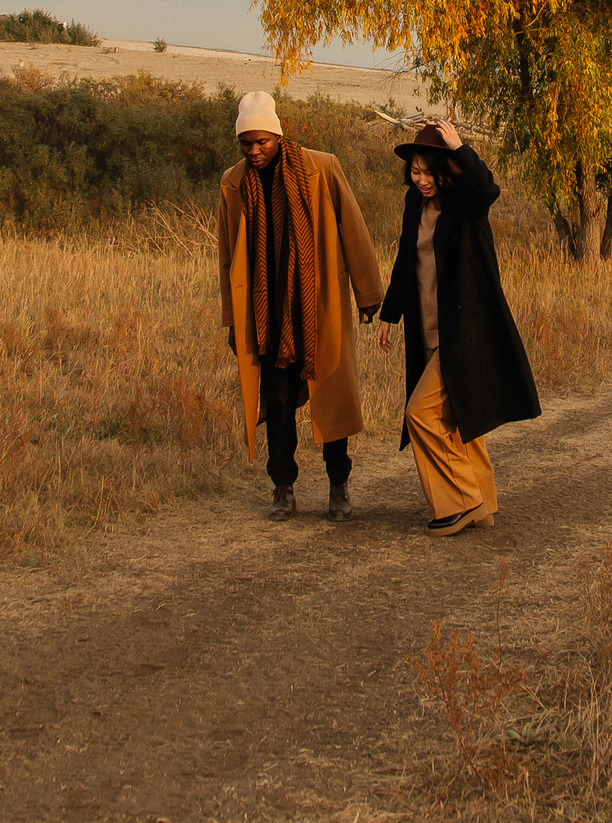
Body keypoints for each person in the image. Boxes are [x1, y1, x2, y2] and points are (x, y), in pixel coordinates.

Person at [215, 91, 384, 520]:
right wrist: (233, 320)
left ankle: (338, 486)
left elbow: (353, 228)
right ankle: (282, 488)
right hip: (265, 313)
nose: (254, 151)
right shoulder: (233, 182)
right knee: (278, 401)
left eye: (261, 142)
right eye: (246, 143)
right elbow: (227, 257)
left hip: (319, 303)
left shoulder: (320, 168)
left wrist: (368, 294)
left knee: (331, 395)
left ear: (278, 135)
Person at [376, 120, 540, 537]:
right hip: (427, 327)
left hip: (464, 331)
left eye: (429, 172)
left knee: (420, 414)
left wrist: (461, 147)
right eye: (415, 171)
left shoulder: (465, 203)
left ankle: (462, 501)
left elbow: (487, 188)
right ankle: (482, 502)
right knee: (459, 412)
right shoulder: (414, 204)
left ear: (446, 169)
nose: (422, 180)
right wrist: (389, 314)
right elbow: (405, 260)